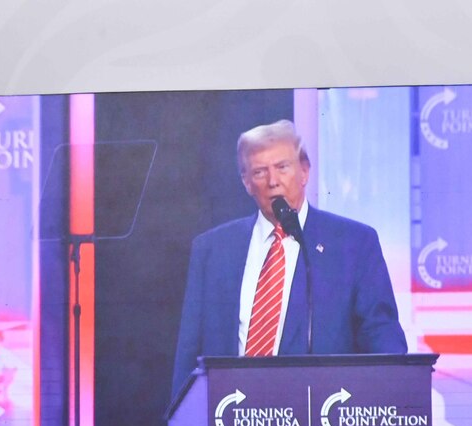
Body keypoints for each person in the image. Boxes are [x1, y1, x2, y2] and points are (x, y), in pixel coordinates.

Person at [170, 120, 407, 399]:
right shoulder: (212, 250)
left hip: (321, 420)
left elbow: (383, 342)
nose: (273, 182)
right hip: (231, 416)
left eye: (282, 167)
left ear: (304, 171)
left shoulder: (353, 244)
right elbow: (188, 357)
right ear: (246, 183)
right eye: (260, 172)